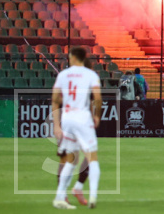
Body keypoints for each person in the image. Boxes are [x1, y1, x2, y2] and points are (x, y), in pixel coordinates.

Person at [52, 47, 102, 210]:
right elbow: (97, 98)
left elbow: (55, 99)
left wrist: (56, 125)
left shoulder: (63, 75)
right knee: (92, 158)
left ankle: (60, 196)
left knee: (70, 160)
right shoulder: (91, 75)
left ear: (73, 57)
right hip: (82, 118)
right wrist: (96, 116)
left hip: (67, 118)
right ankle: (93, 195)